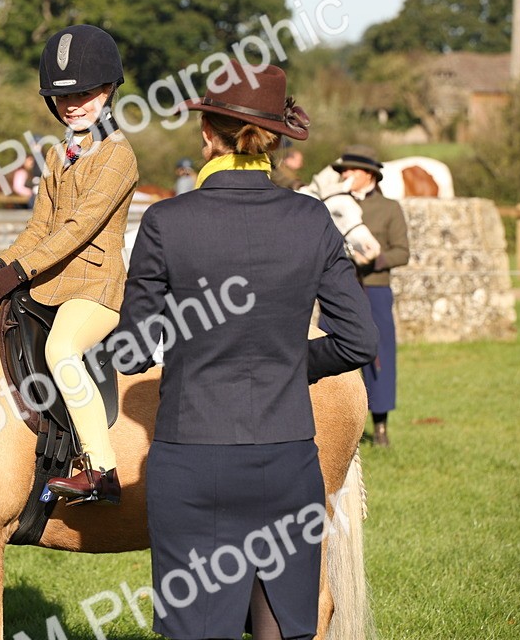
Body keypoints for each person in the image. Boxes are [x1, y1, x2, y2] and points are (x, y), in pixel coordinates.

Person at [113, 62, 377, 640]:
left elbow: (131, 353)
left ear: (207, 133)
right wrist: (291, 363)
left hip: (193, 460)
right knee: (280, 628)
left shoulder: (166, 221)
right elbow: (360, 340)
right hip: (286, 461)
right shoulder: (311, 219)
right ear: (277, 142)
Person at [0, 25, 139, 505]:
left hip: (96, 289)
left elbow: (77, 229)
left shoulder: (117, 156)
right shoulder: (56, 153)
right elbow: (40, 227)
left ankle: (102, 471)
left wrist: (20, 272)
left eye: (85, 93)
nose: (74, 104)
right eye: (63, 96)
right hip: (50, 284)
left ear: (109, 90)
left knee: (63, 350)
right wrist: (2, 263)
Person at [333, 144, 409, 448]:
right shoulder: (335, 205)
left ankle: (380, 427)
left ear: (369, 174)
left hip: (375, 289)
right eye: (342, 171)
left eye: (350, 170)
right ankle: (335, 423)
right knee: (331, 351)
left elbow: (402, 252)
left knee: (380, 356)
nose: (345, 175)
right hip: (337, 290)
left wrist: (373, 260)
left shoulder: (390, 208)